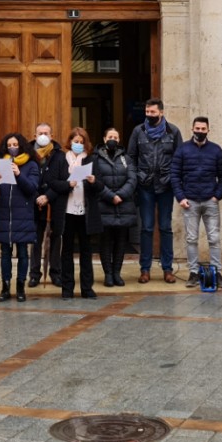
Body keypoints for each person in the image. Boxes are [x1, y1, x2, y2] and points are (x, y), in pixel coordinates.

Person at [127, 98, 183, 283]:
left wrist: (174, 180)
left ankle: (167, 269)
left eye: (152, 112)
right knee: (147, 227)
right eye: (147, 112)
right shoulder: (138, 131)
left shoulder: (173, 131)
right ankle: (145, 269)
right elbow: (131, 158)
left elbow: (179, 158)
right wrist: (135, 179)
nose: (149, 115)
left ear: (161, 112)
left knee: (166, 227)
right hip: (145, 186)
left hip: (166, 186)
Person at [171, 116, 222, 289]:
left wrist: (217, 196)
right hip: (190, 201)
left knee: (214, 238)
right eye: (198, 128)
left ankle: (217, 272)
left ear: (208, 130)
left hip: (210, 201)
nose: (200, 131)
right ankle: (193, 273)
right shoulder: (182, 150)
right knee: (191, 238)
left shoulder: (216, 150)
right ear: (192, 128)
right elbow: (175, 175)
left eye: (203, 129)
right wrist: (181, 197)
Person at [0, 132, 38, 303]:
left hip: (23, 214)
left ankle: (21, 287)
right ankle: (5, 287)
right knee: (5, 252)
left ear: (21, 146)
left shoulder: (31, 165)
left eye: (15, 145)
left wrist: (18, 174)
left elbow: (32, 188)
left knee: (23, 252)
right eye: (9, 145)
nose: (12, 148)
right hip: (4, 214)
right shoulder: (2, 163)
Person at [52, 127, 102, 299]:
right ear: (70, 142)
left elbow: (100, 186)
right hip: (66, 211)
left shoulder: (91, 160)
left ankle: (87, 288)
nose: (78, 145)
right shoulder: (60, 159)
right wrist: (68, 185)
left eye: (81, 142)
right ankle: (67, 288)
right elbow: (52, 182)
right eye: (76, 142)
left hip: (85, 212)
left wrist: (93, 181)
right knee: (66, 250)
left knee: (86, 251)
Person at [94, 127, 136, 287]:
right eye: (110, 136)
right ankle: (108, 274)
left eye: (116, 137)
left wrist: (121, 195)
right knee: (105, 241)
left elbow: (132, 179)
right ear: (104, 139)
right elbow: (96, 181)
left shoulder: (127, 158)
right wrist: (111, 196)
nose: (113, 139)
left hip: (123, 205)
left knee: (120, 242)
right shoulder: (95, 158)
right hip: (103, 204)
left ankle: (117, 273)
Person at [28, 122, 68, 289]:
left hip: (55, 202)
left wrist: (48, 196)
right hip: (34, 202)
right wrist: (38, 196)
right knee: (35, 239)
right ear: (35, 135)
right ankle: (35, 274)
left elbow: (64, 179)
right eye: (40, 133)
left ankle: (55, 273)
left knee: (56, 237)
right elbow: (25, 178)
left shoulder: (60, 156)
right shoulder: (28, 154)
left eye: (46, 132)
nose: (43, 135)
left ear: (51, 136)